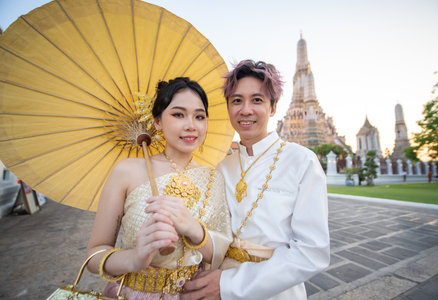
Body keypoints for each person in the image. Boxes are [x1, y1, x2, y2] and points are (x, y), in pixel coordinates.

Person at [182, 60, 330, 300]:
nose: (246, 110)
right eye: (237, 100)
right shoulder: (222, 168)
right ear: (228, 107)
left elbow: (311, 252)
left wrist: (229, 286)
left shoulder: (301, 161)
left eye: (257, 100)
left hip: (276, 292)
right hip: (215, 284)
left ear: (273, 108)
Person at [86, 77, 232, 299]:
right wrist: (134, 259)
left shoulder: (215, 177)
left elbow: (222, 251)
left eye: (199, 116)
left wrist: (194, 230)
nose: (191, 125)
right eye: (178, 114)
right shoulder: (126, 171)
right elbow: (94, 253)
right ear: (157, 122)